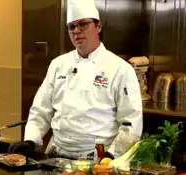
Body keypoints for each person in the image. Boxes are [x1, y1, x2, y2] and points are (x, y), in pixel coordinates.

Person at [9, 0, 143, 160]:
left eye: (83, 24)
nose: (76, 31)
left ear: (98, 26)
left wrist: (112, 155)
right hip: (56, 155)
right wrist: (30, 140)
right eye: (71, 27)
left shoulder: (120, 69)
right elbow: (41, 110)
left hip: (97, 159)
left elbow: (130, 123)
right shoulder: (59, 64)